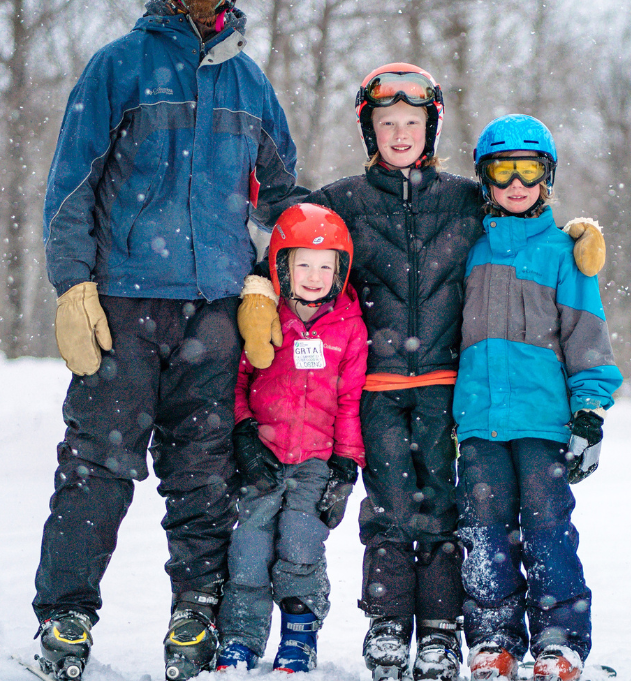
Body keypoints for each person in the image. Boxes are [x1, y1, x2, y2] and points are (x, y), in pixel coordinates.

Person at [235, 65, 607, 680]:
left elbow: (519, 223)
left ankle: (439, 630)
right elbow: (286, 236)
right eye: (387, 123)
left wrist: (576, 233)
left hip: (443, 386)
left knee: (441, 508)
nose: (400, 133)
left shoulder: (463, 199)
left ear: (430, 127)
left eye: (411, 121)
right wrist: (256, 289)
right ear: (370, 130)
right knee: (385, 509)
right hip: (374, 386)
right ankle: (386, 623)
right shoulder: (342, 202)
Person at [32, 0, 304, 681]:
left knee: (204, 475)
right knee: (97, 468)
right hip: (123, 306)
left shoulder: (251, 85)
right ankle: (67, 617)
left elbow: (283, 203)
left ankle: (196, 616)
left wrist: (266, 280)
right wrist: (72, 284)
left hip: (214, 311)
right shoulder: (120, 65)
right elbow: (71, 184)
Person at [452, 114, 623, 681]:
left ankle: (558, 637)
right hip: (477, 423)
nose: (517, 183)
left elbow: (586, 336)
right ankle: (492, 636)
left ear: (547, 178)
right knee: (482, 531)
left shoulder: (564, 253)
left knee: (549, 529)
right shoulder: (469, 250)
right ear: (485, 178)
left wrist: (589, 414)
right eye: (504, 171)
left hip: (544, 425)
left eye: (530, 170)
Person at [213, 203, 368, 674]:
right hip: (263, 456)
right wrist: (244, 433)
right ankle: (240, 638)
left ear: (341, 270)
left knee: (300, 548)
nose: (315, 276)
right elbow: (236, 383)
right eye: (303, 264)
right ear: (281, 264)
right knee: (249, 552)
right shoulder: (263, 318)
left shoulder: (350, 327)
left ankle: (299, 638)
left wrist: (346, 465)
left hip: (316, 462)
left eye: (326, 266)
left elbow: (349, 402)